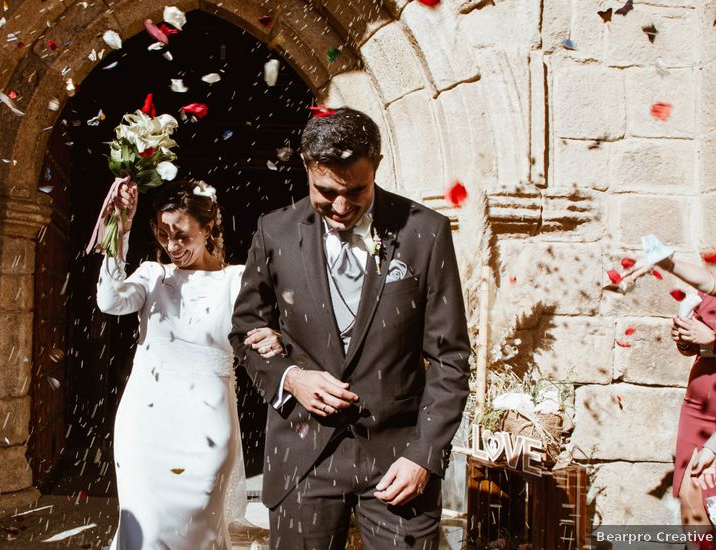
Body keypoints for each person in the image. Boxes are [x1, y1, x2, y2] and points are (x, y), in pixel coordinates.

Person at [230, 107, 471, 549]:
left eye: (355, 190)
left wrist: (424, 455)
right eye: (326, 191)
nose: (341, 207)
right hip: (303, 458)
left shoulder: (425, 233)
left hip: (399, 460)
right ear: (305, 164)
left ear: (377, 164)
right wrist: (290, 377)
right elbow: (247, 329)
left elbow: (449, 357)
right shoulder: (275, 232)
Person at [96, 179, 282, 549]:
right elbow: (110, 301)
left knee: (198, 521)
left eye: (181, 235)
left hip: (206, 422)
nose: (172, 245)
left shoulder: (237, 280)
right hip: (144, 422)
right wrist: (121, 230)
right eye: (163, 234)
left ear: (208, 227)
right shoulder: (154, 276)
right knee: (143, 525)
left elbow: (266, 333)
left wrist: (274, 339)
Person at [671, 232, 716, 526]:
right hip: (695, 406)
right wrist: (683, 338)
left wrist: (713, 341)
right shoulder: (712, 295)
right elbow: (691, 346)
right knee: (688, 489)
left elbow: (713, 341)